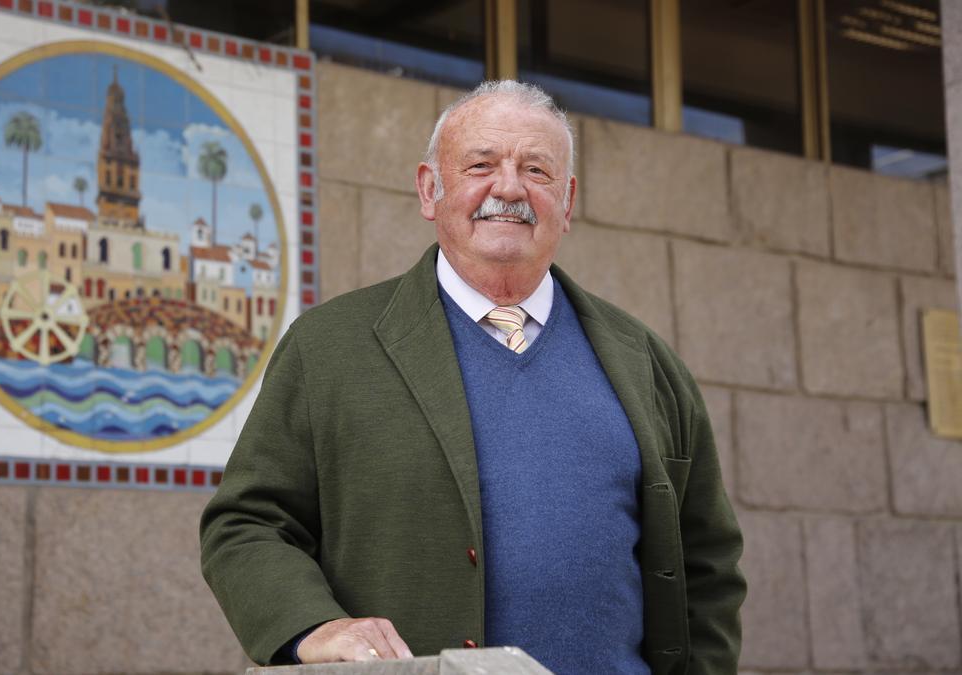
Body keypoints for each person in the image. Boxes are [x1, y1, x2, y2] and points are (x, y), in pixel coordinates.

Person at [200, 80, 745, 674]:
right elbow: (247, 524)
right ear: (431, 189)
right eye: (481, 164)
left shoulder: (645, 362)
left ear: (568, 202)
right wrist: (313, 626)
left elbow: (708, 565)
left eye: (536, 170)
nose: (508, 188)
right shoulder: (329, 348)